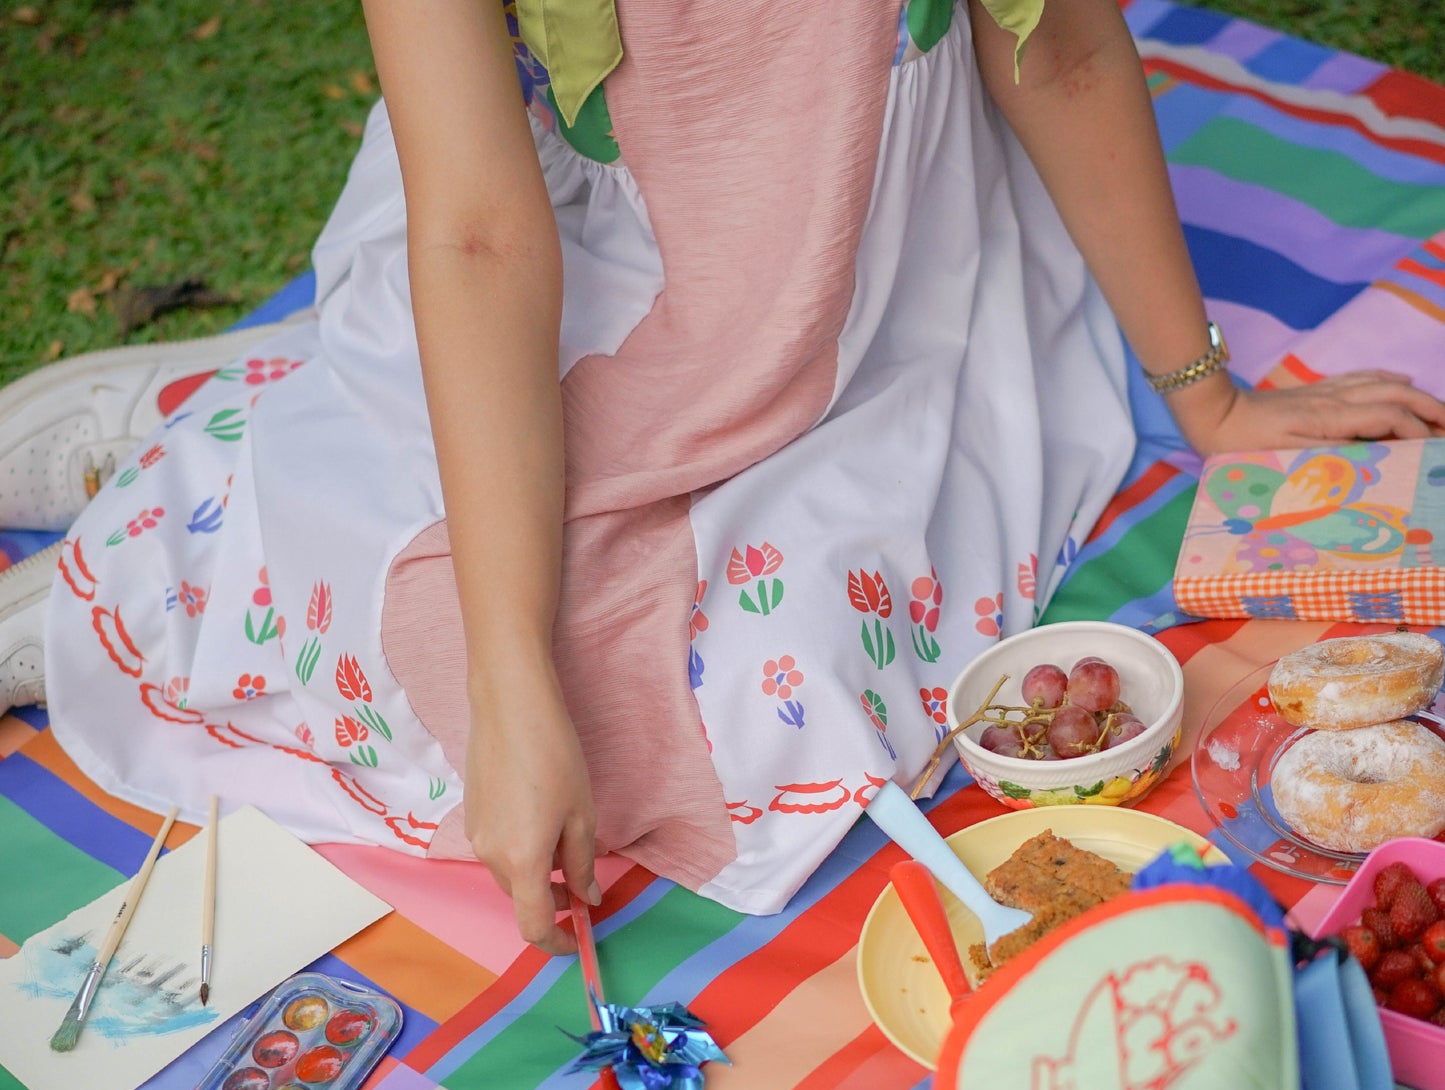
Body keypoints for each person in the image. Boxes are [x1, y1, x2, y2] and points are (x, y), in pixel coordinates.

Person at [1, 0, 1441, 953]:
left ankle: (223, 435)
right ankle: (187, 482)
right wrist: (513, 685)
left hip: (878, 267)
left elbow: (1052, 46)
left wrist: (1206, 393)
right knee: (472, 691)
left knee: (758, 714)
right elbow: (483, 236)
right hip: (572, 253)